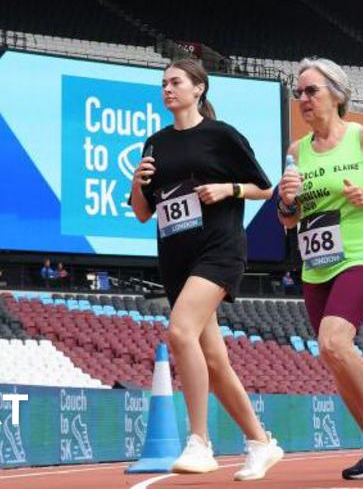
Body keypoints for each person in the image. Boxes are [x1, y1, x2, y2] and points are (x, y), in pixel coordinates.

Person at [131, 58, 283, 480]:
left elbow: (265, 187)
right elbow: (143, 213)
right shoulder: (155, 143)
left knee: (180, 332)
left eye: (176, 82)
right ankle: (260, 442)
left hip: (219, 249)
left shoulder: (221, 136)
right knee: (214, 358)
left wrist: (228, 188)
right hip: (176, 256)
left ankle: (199, 441)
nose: (167, 89)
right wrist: (135, 181)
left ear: (199, 88)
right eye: (163, 83)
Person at [277, 58, 363, 480]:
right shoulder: (296, 152)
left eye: (311, 91)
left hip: (361, 253)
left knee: (335, 341)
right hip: (316, 263)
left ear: (337, 94)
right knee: (331, 354)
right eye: (299, 93)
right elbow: (288, 220)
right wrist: (288, 201)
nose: (303, 99)